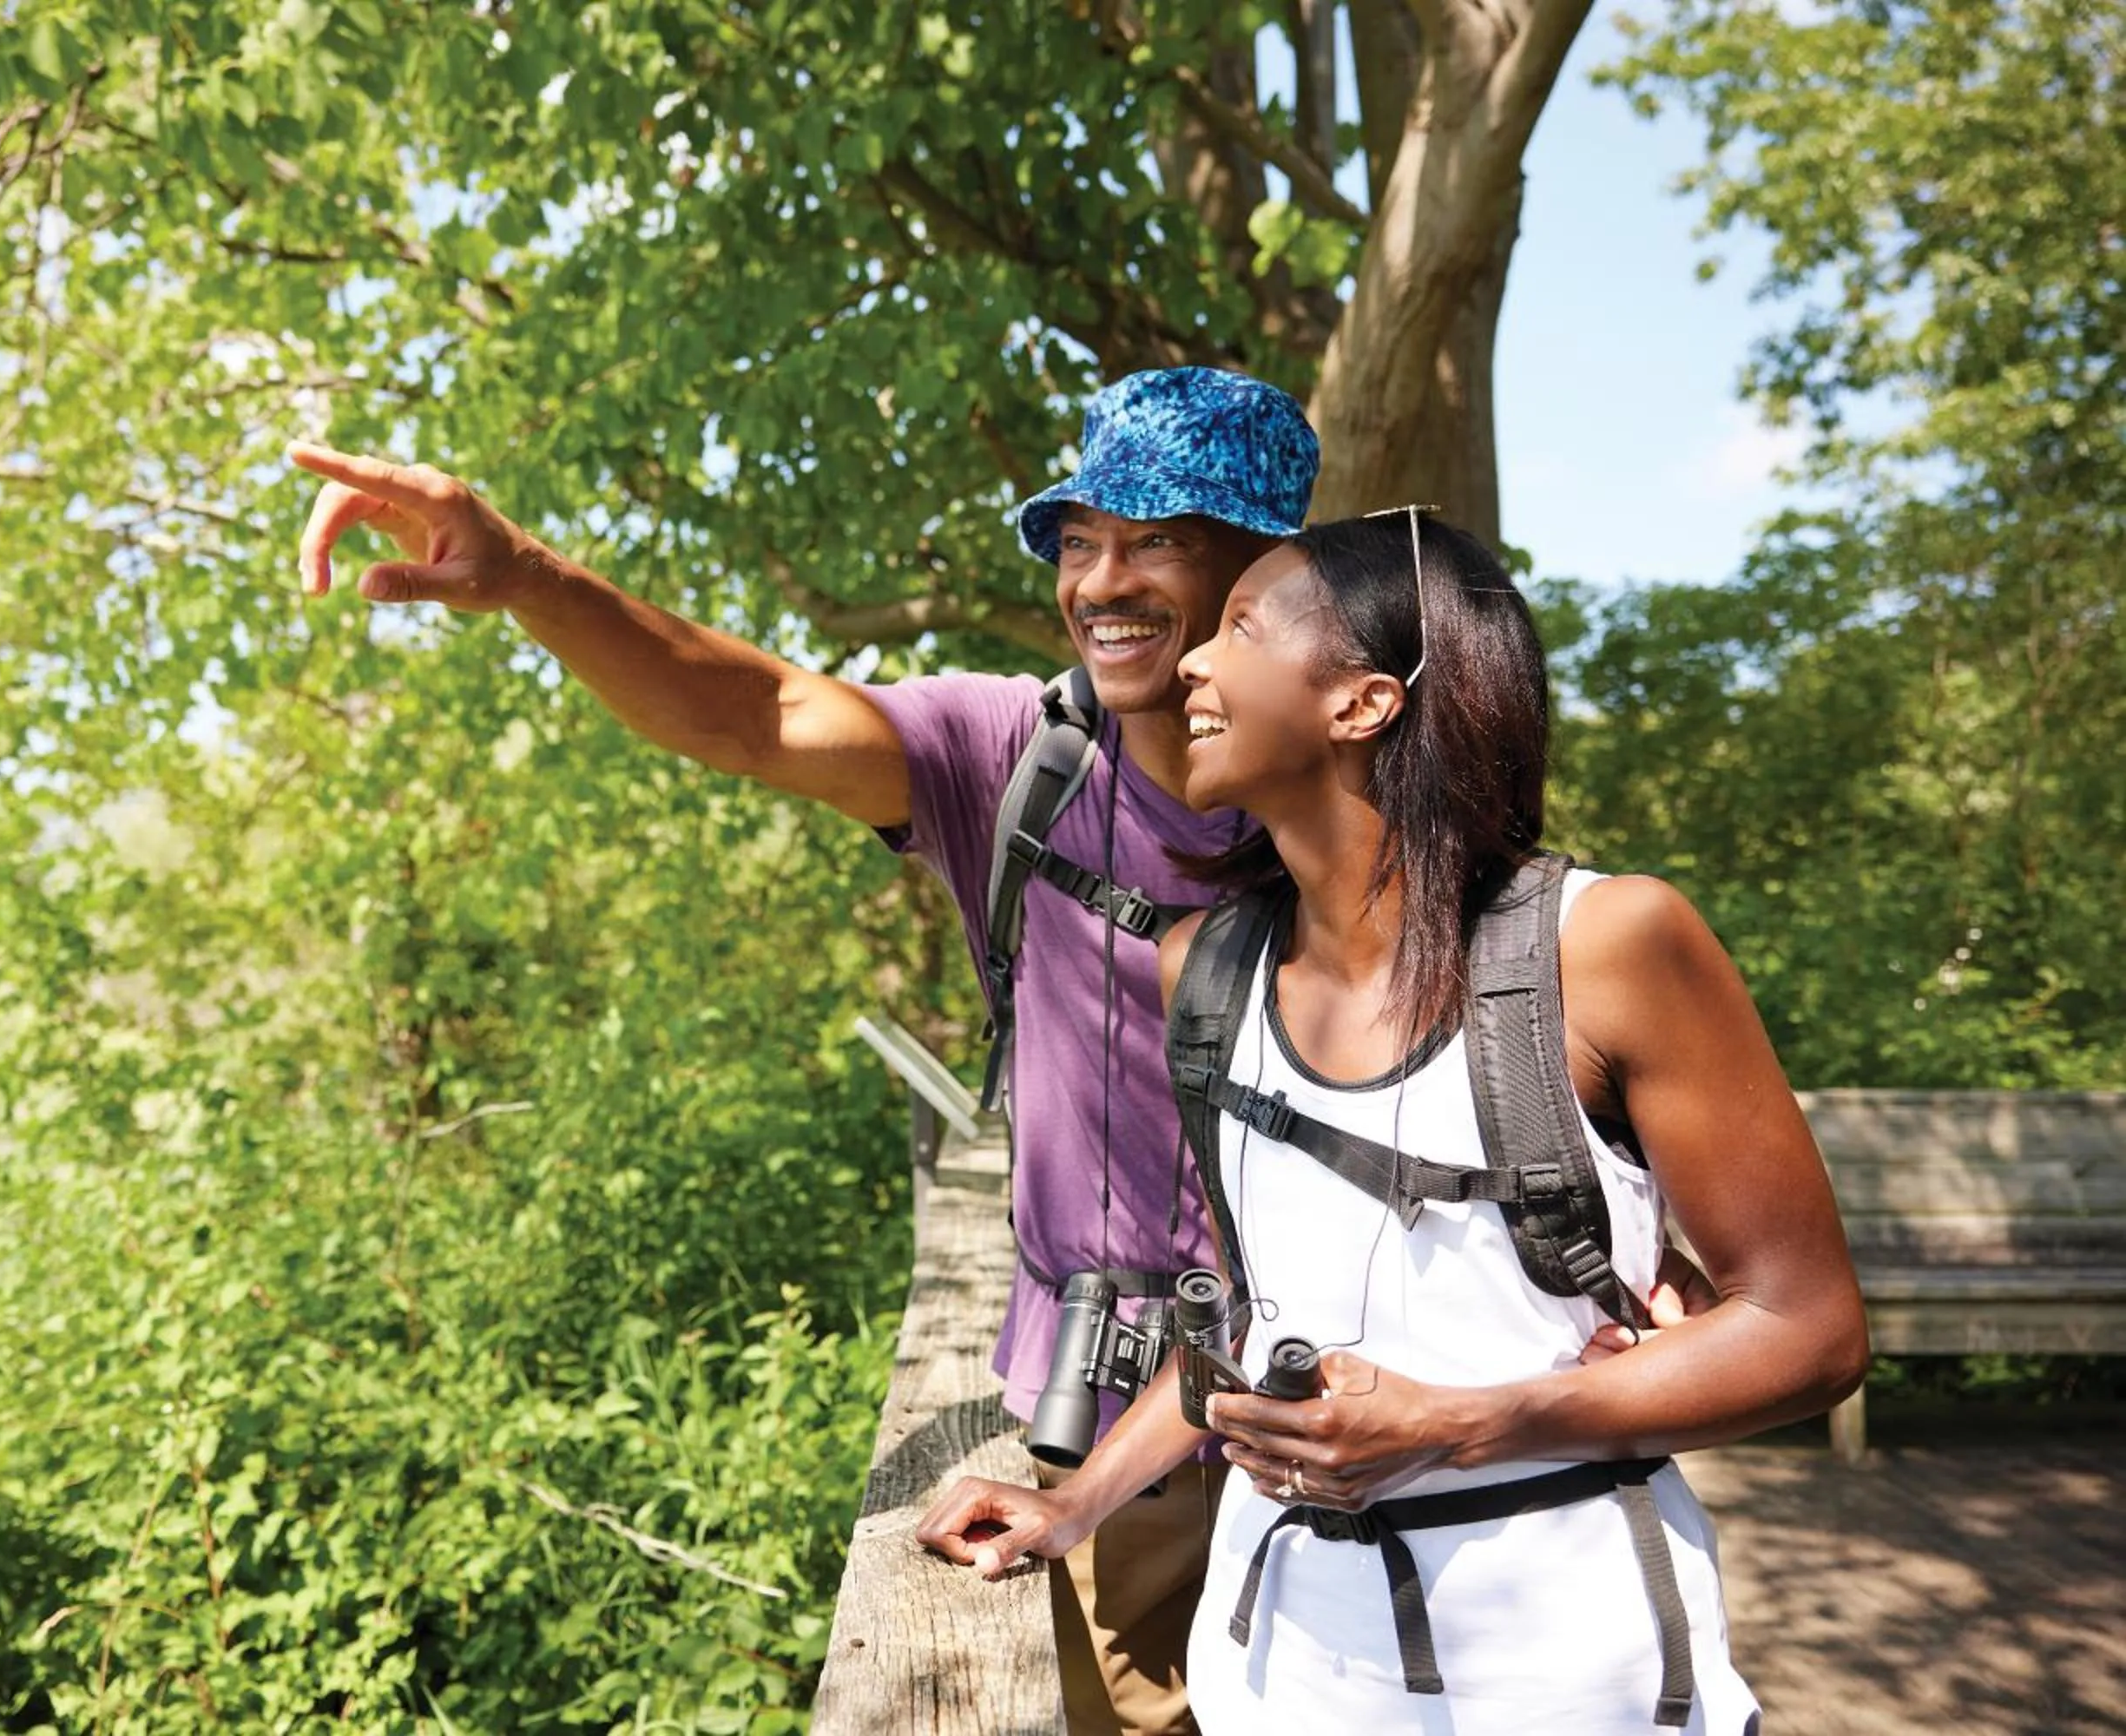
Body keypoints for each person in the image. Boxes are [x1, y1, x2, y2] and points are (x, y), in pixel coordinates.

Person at [289, 367, 1320, 1733]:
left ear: (1266, 575)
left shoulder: (1355, 787)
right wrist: (530, 578)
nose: (1103, 582)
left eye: (1161, 541)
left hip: (1310, 1410)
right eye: (1081, 541)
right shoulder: (1018, 755)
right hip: (1087, 1412)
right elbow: (758, 713)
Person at [916, 511, 1868, 1733]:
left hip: (1573, 1682)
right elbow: (1260, 1312)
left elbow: (1812, 1330)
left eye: (1243, 627)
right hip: (1272, 1678)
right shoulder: (1201, 972)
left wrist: (1468, 1422)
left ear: (1363, 705)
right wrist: (1083, 1500)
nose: (1196, 659)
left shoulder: (1605, 947)